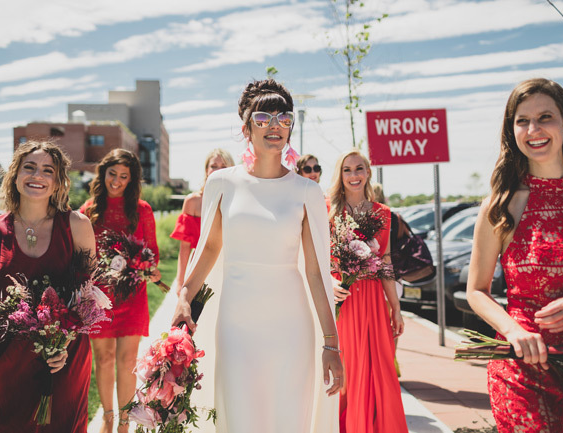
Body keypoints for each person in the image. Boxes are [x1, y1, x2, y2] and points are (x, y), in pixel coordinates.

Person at [171, 78, 343, 433]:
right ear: (246, 128)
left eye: (283, 118)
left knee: (287, 420)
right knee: (239, 419)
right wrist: (184, 296)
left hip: (291, 327)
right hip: (237, 326)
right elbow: (209, 250)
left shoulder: (307, 192)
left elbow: (315, 273)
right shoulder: (222, 183)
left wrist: (331, 344)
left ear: (291, 128)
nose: (274, 126)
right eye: (263, 118)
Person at [466, 78, 563, 431]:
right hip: (522, 369)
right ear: (511, 130)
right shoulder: (499, 207)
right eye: (522, 120)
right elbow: (476, 291)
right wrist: (513, 331)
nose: (534, 130)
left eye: (545, 117)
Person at [0, 140, 96, 432]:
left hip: (65, 358)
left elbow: (88, 297)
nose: (38, 176)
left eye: (48, 170)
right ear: (15, 175)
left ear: (58, 182)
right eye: (29, 167)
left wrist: (64, 342)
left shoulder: (77, 225)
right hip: (11, 359)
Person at [80, 149, 161, 433]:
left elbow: (152, 253)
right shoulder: (88, 210)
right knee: (103, 359)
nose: (116, 181)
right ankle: (108, 417)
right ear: (102, 174)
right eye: (112, 174)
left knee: (127, 361)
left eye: (123, 176)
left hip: (131, 294)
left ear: (131, 179)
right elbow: (80, 255)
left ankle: (125, 422)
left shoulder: (142, 210)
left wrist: (147, 266)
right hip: (99, 298)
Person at [330, 150, 408, 433]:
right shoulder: (327, 210)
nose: (354, 175)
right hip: (343, 299)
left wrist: (396, 307)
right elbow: (315, 260)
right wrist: (331, 283)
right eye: (347, 170)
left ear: (368, 173)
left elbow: (385, 262)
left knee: (379, 368)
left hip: (374, 300)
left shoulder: (383, 213)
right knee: (348, 368)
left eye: (359, 169)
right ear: (340, 175)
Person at [170, 148, 234, 294]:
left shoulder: (239, 200)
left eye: (224, 167)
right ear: (206, 170)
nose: (218, 171)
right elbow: (184, 247)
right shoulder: (192, 201)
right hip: (200, 268)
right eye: (213, 166)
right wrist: (180, 282)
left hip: (230, 269)